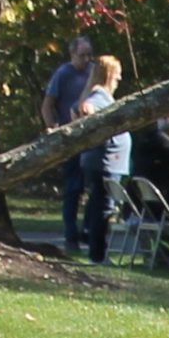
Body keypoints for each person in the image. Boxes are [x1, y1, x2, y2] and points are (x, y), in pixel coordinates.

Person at [41, 35, 95, 252]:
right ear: (72, 54)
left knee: (96, 187)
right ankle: (70, 236)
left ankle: (88, 232)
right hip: (70, 137)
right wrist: (52, 127)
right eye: (82, 55)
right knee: (73, 188)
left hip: (91, 137)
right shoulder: (63, 74)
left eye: (89, 55)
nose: (86, 59)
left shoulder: (93, 73)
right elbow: (47, 104)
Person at [74, 55, 129, 266]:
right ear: (108, 75)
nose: (120, 79)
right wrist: (88, 116)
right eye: (117, 75)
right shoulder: (98, 95)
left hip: (107, 162)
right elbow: (85, 108)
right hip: (105, 162)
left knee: (101, 206)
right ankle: (97, 255)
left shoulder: (103, 95)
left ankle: (96, 249)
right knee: (103, 209)